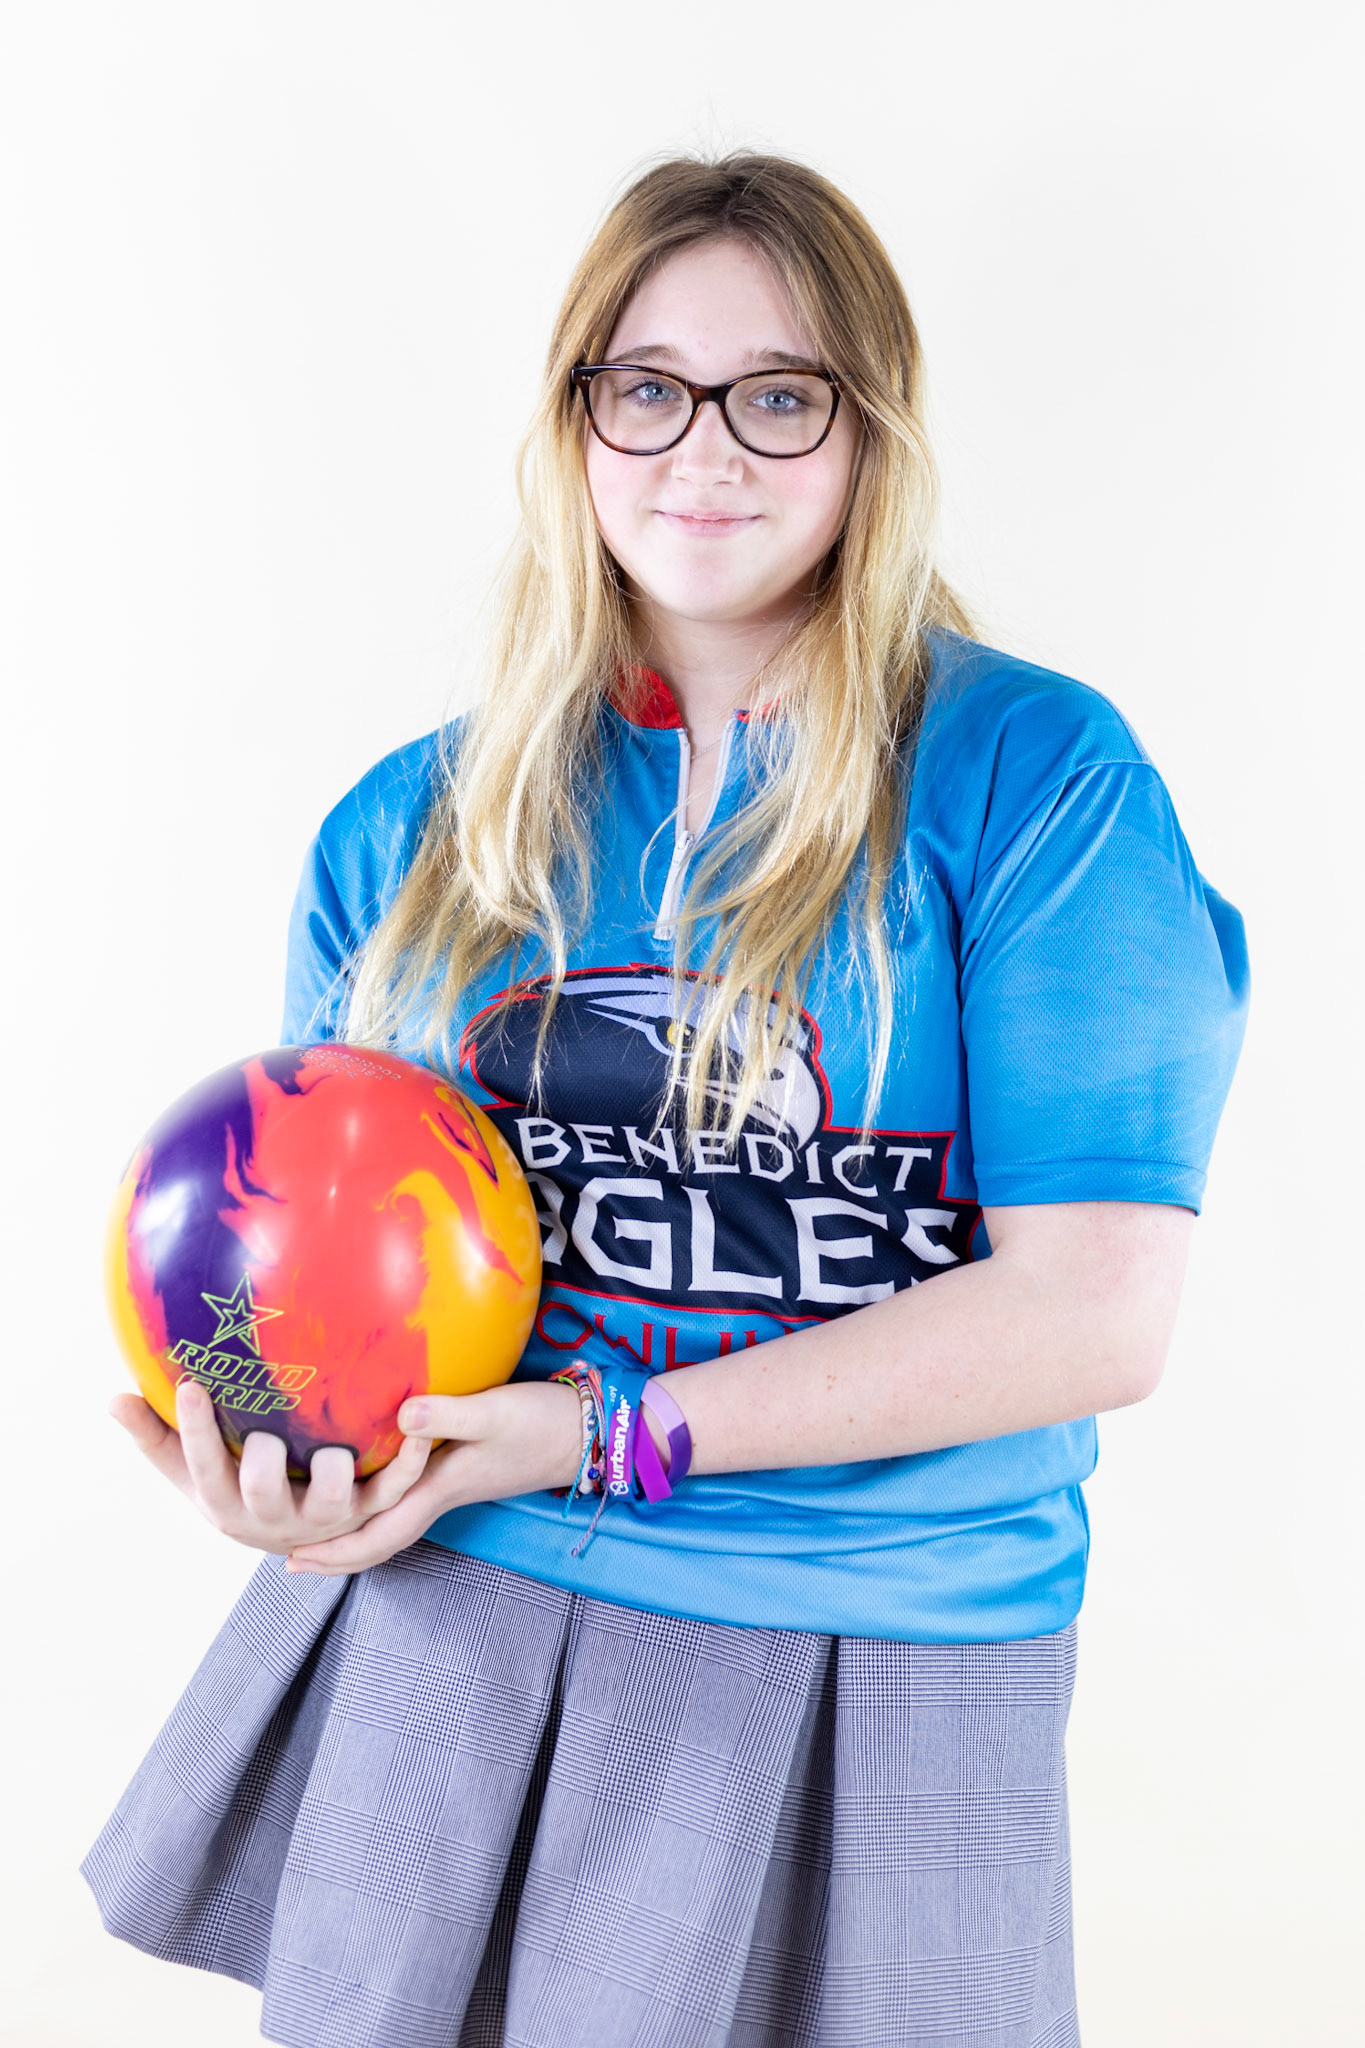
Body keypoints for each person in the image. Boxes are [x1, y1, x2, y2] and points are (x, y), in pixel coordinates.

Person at [82, 151, 1249, 2048]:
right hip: (457, 1614)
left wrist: (599, 1434)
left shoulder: (1034, 779)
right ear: (575, 421)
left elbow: (1092, 1313)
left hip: (886, 1633)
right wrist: (296, 1464)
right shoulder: (408, 829)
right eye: (646, 386)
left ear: (870, 434)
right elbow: (334, 1277)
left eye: (777, 395)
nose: (705, 448)